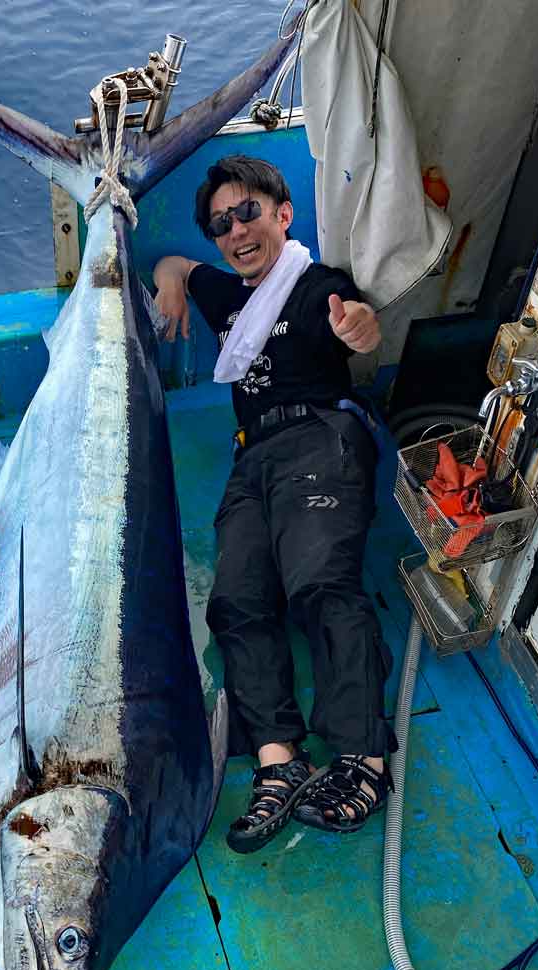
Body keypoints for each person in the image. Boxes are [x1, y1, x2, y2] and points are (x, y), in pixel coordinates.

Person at [153, 155, 395, 852]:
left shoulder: (316, 285)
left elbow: (358, 323)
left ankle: (362, 756)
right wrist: (171, 285)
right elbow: (174, 263)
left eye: (249, 212)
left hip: (320, 436)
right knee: (235, 602)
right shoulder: (226, 296)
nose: (236, 230)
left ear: (283, 215)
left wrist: (361, 331)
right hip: (250, 459)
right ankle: (278, 760)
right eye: (222, 223)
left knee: (319, 583)